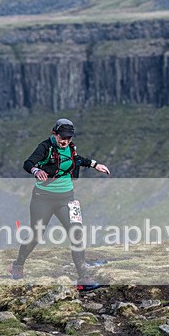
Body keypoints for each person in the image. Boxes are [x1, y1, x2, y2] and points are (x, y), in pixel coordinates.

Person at [9, 118, 110, 295]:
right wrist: (36, 171)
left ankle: (83, 279)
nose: (65, 141)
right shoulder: (45, 147)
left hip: (67, 199)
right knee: (36, 235)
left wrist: (95, 165)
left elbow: (77, 160)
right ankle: (17, 265)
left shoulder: (71, 148)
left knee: (76, 233)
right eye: (62, 138)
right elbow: (28, 163)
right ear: (54, 133)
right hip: (43, 198)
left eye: (69, 138)